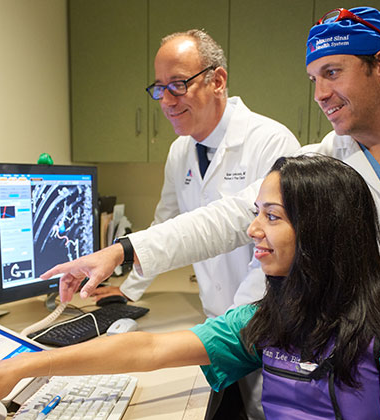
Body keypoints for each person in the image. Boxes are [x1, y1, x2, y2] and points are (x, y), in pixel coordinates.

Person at [48, 6, 380, 341]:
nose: (319, 93)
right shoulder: (319, 162)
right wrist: (124, 249)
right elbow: (232, 217)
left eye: (333, 73)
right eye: (314, 78)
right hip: (355, 359)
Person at [0, 155, 380, 420]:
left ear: (322, 234)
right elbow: (150, 345)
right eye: (256, 212)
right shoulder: (275, 315)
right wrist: (22, 366)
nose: (253, 229)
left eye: (272, 217)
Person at [101, 29, 299, 419]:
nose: (167, 101)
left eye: (178, 85)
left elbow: (273, 252)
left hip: (266, 320)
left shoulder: (272, 142)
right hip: (216, 319)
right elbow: (167, 223)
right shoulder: (180, 150)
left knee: (267, 412)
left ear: (217, 80)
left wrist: (232, 324)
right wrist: (130, 289)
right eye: (159, 89)